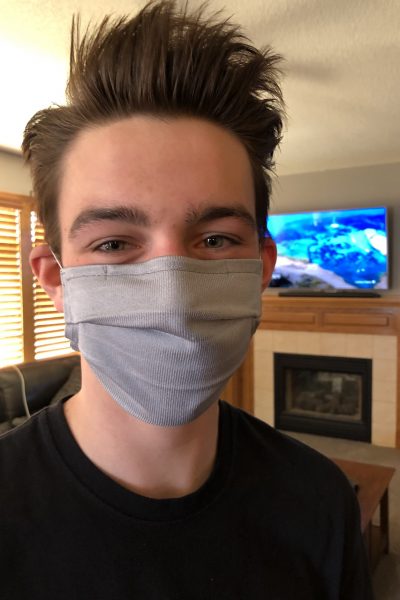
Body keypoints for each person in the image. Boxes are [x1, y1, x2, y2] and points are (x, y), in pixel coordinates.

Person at [0, 1, 373, 598]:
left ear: (261, 268)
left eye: (216, 239)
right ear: (54, 278)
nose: (172, 296)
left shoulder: (321, 501)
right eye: (115, 243)